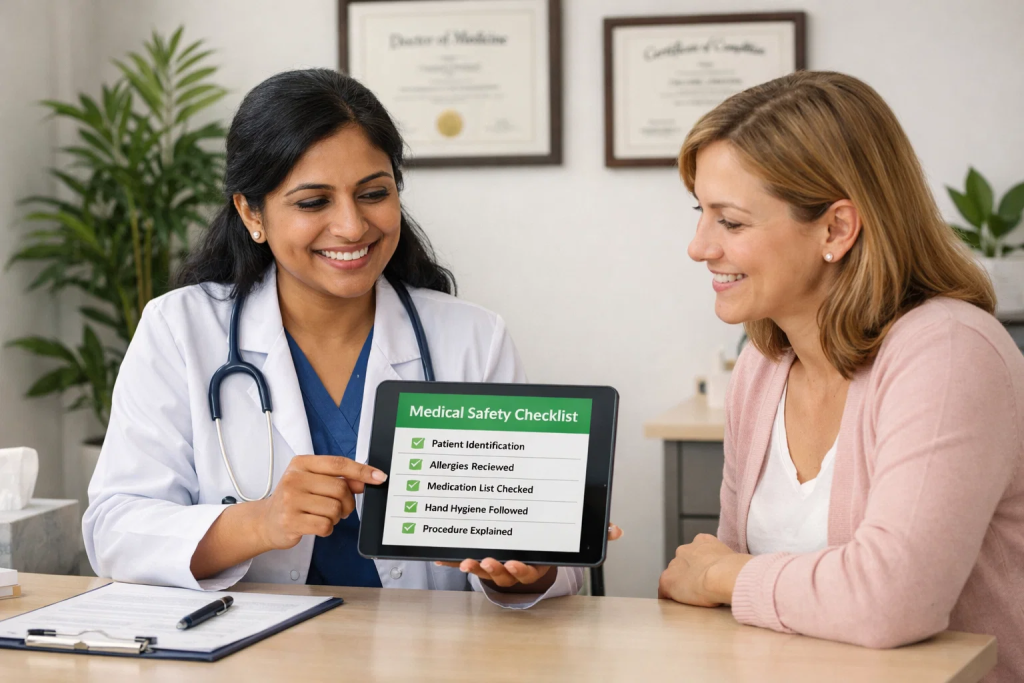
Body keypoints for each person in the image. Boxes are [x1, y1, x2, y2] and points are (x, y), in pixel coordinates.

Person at [84, 68, 619, 608]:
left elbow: (542, 562)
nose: (351, 226)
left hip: (424, 658)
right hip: (249, 656)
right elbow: (114, 530)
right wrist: (261, 522)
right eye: (313, 202)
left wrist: (528, 571)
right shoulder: (181, 330)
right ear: (252, 213)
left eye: (373, 193)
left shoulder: (471, 337)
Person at [658, 70, 1024, 681]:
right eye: (702, 213)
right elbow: (709, 589)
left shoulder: (949, 352)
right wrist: (716, 579)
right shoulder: (762, 367)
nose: (699, 247)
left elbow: (893, 601)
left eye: (731, 222)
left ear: (836, 229)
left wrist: (725, 577)